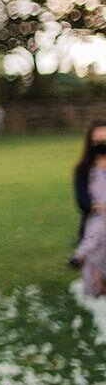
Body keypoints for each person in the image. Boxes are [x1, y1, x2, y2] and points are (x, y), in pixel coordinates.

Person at [71, 120, 106, 296]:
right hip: (95, 217)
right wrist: (99, 207)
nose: (102, 146)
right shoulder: (83, 170)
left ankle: (81, 253)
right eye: (97, 141)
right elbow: (82, 201)